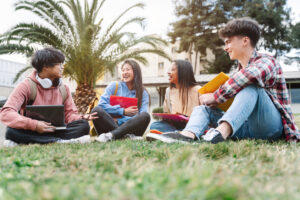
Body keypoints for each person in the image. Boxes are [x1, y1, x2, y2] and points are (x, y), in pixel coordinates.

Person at [154, 17, 299, 144]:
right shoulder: (236, 72)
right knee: (203, 109)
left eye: (228, 42)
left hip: (270, 127)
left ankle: (220, 133)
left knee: (250, 86)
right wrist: (215, 103)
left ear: (245, 40)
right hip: (245, 127)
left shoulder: (268, 61)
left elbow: (249, 76)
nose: (226, 48)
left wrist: (215, 96)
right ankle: (188, 135)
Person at [0, 48, 97, 146]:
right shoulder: (26, 86)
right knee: (11, 131)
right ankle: (58, 141)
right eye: (59, 64)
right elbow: (6, 113)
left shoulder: (64, 89)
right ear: (45, 66)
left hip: (56, 130)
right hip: (32, 130)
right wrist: (34, 125)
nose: (62, 67)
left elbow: (69, 115)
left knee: (83, 125)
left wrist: (81, 117)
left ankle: (43, 140)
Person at [92, 60, 150, 142]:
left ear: (136, 72)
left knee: (145, 116)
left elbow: (141, 116)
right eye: (123, 70)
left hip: (131, 129)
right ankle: (124, 136)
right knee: (96, 110)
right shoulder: (114, 86)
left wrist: (119, 121)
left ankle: (112, 135)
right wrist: (123, 111)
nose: (125, 72)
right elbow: (101, 105)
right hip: (110, 126)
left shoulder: (143, 93)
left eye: (128, 69)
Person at [148, 60, 201, 134]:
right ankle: (180, 134)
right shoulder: (169, 91)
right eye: (169, 70)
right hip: (175, 126)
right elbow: (167, 113)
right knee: (154, 125)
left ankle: (181, 133)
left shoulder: (198, 89)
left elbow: (204, 114)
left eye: (172, 70)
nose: (168, 72)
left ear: (183, 72)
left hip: (193, 125)